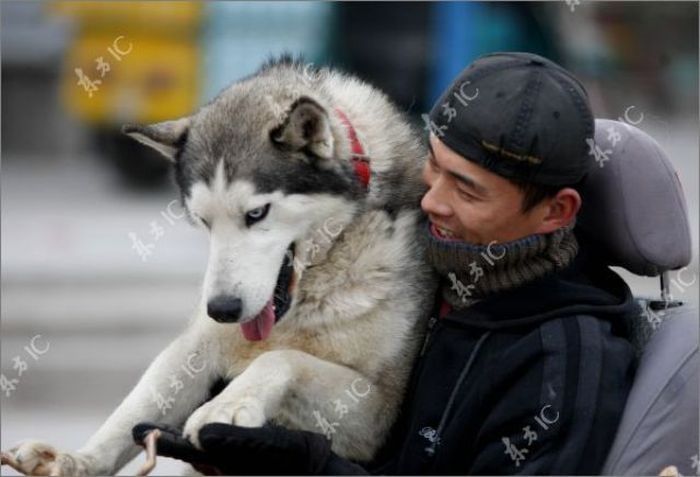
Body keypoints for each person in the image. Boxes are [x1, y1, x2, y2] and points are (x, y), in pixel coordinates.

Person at [133, 52, 638, 475]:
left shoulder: (565, 362)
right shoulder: (438, 277)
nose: (431, 200)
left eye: (466, 189)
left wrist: (313, 466)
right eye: (433, 166)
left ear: (556, 211)